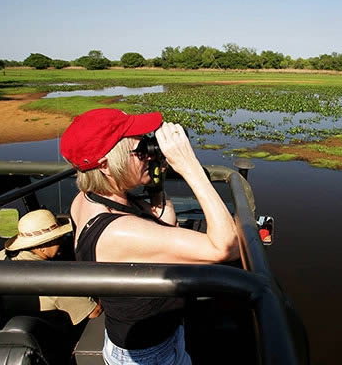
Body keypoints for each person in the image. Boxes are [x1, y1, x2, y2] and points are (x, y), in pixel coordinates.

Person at [60, 108, 239, 365]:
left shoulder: (90, 198)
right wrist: (190, 168)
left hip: (145, 336)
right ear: (106, 166)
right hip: (149, 352)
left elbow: (164, 224)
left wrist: (154, 185)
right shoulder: (119, 231)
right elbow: (226, 247)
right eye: (140, 150)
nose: (149, 154)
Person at [0, 209, 103, 325]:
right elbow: (94, 312)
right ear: (42, 246)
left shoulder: (2, 256)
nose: (63, 240)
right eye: (58, 239)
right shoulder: (51, 279)